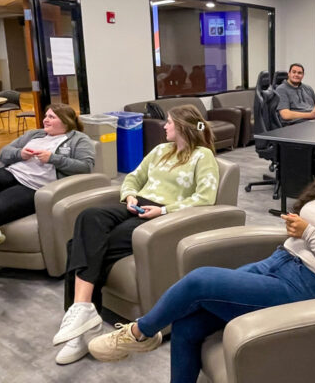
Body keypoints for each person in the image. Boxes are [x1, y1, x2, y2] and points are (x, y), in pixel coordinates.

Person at [85, 125, 315, 383]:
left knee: (200, 279)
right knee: (187, 324)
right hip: (277, 263)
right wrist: (301, 232)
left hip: (307, 286)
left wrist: (309, 232)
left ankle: (139, 332)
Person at [52, 104, 219, 365]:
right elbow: (132, 178)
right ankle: (83, 312)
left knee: (78, 245)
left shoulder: (203, 156)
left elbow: (206, 198)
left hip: (162, 218)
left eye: (169, 122)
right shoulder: (161, 150)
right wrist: (129, 196)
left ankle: (80, 333)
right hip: (136, 204)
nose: (164, 126)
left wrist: (163, 210)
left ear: (183, 127)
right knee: (88, 217)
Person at [0, 104, 95, 304]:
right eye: (46, 116)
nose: (45, 120)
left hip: (34, 187)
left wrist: (54, 158)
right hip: (12, 174)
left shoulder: (78, 139)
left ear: (65, 121)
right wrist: (20, 154)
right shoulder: (35, 134)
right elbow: (4, 153)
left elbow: (86, 167)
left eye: (51, 117)